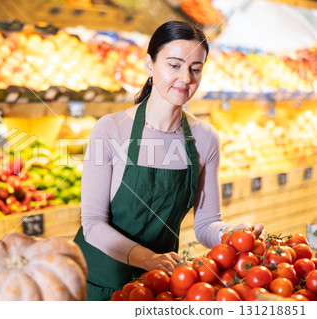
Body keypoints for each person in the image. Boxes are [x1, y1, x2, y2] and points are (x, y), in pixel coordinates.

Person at [73, 21, 265, 301]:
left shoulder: (205, 138)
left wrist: (230, 233)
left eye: (195, 69)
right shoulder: (111, 129)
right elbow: (92, 224)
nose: (185, 78)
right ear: (150, 65)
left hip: (158, 288)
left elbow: (206, 224)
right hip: (97, 284)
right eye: (174, 65)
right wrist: (148, 259)